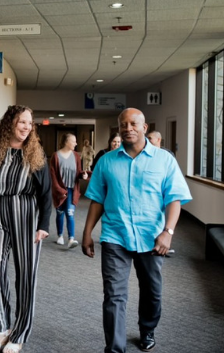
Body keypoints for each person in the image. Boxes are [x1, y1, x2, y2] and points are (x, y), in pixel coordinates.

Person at [82, 108, 191, 353]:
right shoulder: (107, 161)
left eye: (133, 124)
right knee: (114, 295)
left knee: (152, 291)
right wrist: (87, 232)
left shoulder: (164, 160)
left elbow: (174, 198)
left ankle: (147, 329)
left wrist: (168, 232)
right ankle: (115, 348)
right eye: (123, 124)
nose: (128, 128)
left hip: (151, 238)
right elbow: (97, 199)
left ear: (144, 127)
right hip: (115, 235)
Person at [0, 105, 53, 353]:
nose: (26, 127)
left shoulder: (35, 154)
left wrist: (43, 225)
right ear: (10, 124)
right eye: (21, 122)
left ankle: (19, 333)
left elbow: (46, 193)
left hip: (26, 217)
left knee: (25, 278)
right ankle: (3, 327)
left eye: (29, 123)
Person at [49, 132, 84, 247]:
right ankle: (60, 236)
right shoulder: (55, 156)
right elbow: (53, 177)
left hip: (72, 190)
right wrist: (59, 191)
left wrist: (83, 175)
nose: (76, 143)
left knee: (70, 212)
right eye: (73, 141)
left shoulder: (76, 156)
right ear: (66, 142)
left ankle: (71, 239)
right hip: (60, 190)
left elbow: (78, 172)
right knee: (60, 213)